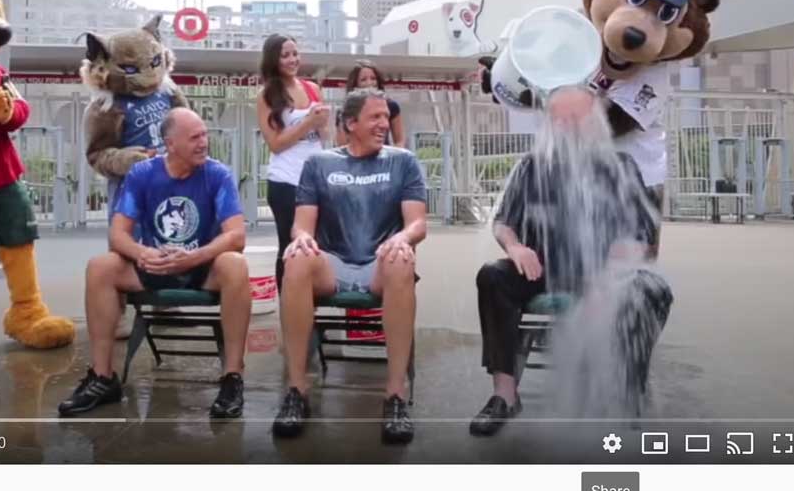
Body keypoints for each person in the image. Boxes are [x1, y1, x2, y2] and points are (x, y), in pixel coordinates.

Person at [470, 87, 673, 436]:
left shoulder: (621, 168)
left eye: (574, 119)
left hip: (605, 275)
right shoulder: (533, 166)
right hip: (543, 271)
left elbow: (642, 238)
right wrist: (515, 247)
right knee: (492, 276)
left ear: (595, 122)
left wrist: (609, 278)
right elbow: (504, 223)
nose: (566, 127)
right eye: (558, 120)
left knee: (651, 290)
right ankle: (504, 395)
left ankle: (628, 394)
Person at [59, 108, 251, 418]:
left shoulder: (217, 174)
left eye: (205, 135)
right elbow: (118, 233)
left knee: (235, 265)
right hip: (155, 264)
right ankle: (102, 376)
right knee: (100, 267)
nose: (204, 143)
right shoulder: (143, 173)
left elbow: (236, 236)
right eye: (194, 137)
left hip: (200, 266)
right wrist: (140, 253)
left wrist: (196, 256)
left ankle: (232, 376)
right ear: (170, 144)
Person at [272, 88, 427, 444]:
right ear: (351, 123)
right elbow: (302, 224)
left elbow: (417, 223)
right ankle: (297, 390)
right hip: (333, 264)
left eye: (386, 118)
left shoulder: (403, 161)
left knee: (403, 260)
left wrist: (403, 238)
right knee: (296, 259)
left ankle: (396, 395)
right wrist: (300, 239)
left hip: (380, 263)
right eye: (375, 118)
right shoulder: (320, 164)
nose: (383, 125)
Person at [256, 34, 330, 291]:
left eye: (295, 53)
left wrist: (321, 122)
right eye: (285, 55)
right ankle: (289, 307)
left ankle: (312, 306)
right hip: (286, 180)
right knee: (290, 244)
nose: (292, 60)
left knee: (316, 244)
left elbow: (323, 137)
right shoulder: (267, 94)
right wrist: (307, 121)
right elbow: (275, 143)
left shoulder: (312, 88)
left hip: (315, 178)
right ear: (273, 59)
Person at [335, 60, 406, 147]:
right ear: (355, 84)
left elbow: (399, 141)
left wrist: (396, 158)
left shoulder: (391, 106)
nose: (369, 83)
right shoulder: (345, 109)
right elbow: (342, 144)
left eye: (373, 78)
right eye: (363, 80)